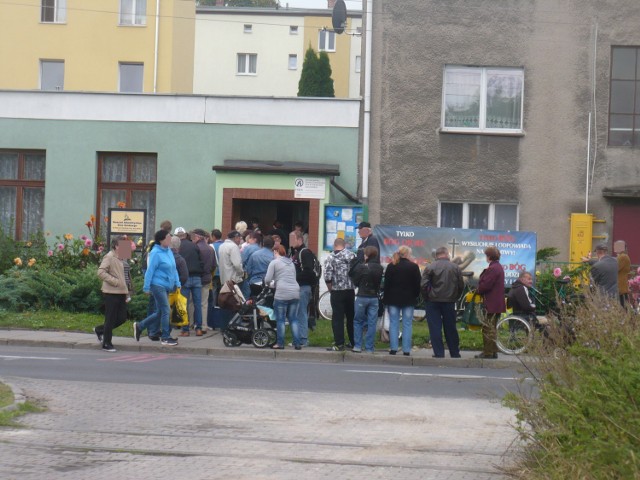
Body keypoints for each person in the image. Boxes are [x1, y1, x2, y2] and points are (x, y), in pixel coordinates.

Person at [134, 229, 180, 346]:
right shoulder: (155, 253)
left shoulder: (168, 251)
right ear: (161, 240)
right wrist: (146, 287)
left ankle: (140, 326)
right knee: (166, 310)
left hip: (167, 285)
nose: (170, 239)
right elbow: (150, 271)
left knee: (159, 312)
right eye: (168, 238)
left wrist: (177, 282)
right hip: (157, 285)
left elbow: (173, 269)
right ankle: (165, 337)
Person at [421, 246, 464, 358]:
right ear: (446, 254)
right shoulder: (455, 267)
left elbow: (423, 285)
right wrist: (456, 297)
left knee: (435, 327)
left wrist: (427, 297)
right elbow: (460, 285)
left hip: (432, 301)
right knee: (451, 327)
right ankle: (454, 352)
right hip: (449, 301)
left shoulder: (430, 267)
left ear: (437, 255)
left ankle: (439, 353)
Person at [94, 236, 133, 352]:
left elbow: (126, 275)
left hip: (122, 292)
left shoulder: (123, 257)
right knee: (110, 318)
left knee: (122, 318)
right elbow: (100, 272)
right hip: (111, 292)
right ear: (117, 246)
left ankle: (100, 330)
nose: (128, 247)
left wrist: (128, 291)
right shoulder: (110, 256)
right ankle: (107, 343)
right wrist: (115, 282)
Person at [383, 245, 421, 356]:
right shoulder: (413, 267)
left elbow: (386, 284)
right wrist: (415, 296)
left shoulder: (391, 266)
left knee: (394, 323)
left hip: (393, 299)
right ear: (408, 254)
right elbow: (417, 284)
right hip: (409, 299)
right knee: (407, 324)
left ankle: (393, 348)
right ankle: (406, 350)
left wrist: (386, 299)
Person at [264, 244, 301, 350]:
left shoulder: (274, 262)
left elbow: (267, 279)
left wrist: (270, 285)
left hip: (282, 293)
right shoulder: (291, 262)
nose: (273, 254)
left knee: (280, 320)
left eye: (273, 252)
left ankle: (280, 343)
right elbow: (292, 277)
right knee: (293, 319)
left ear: (276, 251)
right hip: (295, 292)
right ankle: (297, 343)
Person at [323, 238, 356, 351]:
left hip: (337, 291)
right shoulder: (352, 256)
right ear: (344, 245)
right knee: (351, 317)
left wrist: (330, 289)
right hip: (350, 291)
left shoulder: (330, 257)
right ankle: (353, 342)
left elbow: (327, 276)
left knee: (338, 318)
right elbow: (357, 272)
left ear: (334, 245)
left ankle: (339, 343)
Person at [350, 246, 384, 353]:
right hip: (374, 298)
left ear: (367, 255)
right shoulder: (380, 268)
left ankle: (358, 346)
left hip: (362, 296)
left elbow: (355, 282)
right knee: (372, 322)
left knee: (358, 321)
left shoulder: (362, 267)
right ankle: (369, 347)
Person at [475, 246, 505, 359]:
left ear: (489, 256)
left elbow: (486, 285)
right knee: (492, 328)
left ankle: (488, 352)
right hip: (497, 303)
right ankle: (493, 351)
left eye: (486, 255)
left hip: (491, 303)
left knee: (487, 328)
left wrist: (478, 290)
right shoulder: (498, 267)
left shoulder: (492, 268)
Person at [290, 230, 318, 347]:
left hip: (303, 287)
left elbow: (308, 271)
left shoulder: (304, 252)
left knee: (301, 313)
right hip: (298, 287)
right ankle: (298, 338)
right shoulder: (296, 252)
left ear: (300, 239)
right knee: (297, 313)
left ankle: (303, 339)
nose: (291, 242)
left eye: (293, 239)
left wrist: (294, 278)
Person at [176, 227, 204, 337]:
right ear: (186, 235)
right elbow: (201, 261)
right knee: (198, 304)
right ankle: (198, 329)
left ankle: (185, 329)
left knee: (184, 304)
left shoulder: (178, 247)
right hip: (197, 277)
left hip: (185, 277)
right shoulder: (194, 245)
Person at [192, 228, 216, 333]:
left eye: (193, 237)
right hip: (207, 278)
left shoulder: (195, 248)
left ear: (198, 237)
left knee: (192, 302)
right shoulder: (210, 249)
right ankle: (204, 325)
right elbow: (214, 265)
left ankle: (192, 323)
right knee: (204, 303)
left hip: (196, 277)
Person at [240, 231, 261, 298]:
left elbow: (242, 260)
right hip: (258, 275)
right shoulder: (260, 249)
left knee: (246, 293)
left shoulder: (248, 248)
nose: (248, 240)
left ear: (254, 239)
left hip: (248, 274)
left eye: (250, 238)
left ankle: (245, 307)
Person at [614, 240, 631, 307]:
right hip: (622, 286)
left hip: (620, 286)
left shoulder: (622, 257)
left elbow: (615, 268)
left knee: (622, 308)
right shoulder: (623, 256)